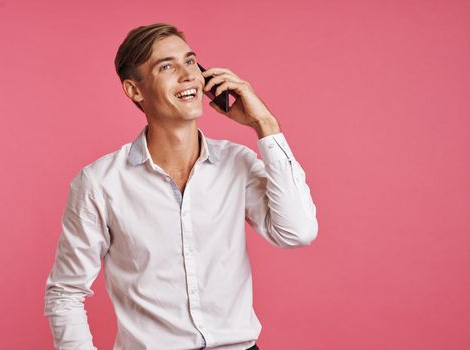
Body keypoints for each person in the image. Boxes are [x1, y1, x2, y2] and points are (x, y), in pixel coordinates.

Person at [44, 22, 318, 350]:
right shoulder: (99, 184)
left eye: (190, 62)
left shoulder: (236, 163)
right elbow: (66, 293)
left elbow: (297, 232)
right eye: (167, 66)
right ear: (134, 90)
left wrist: (266, 125)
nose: (188, 75)